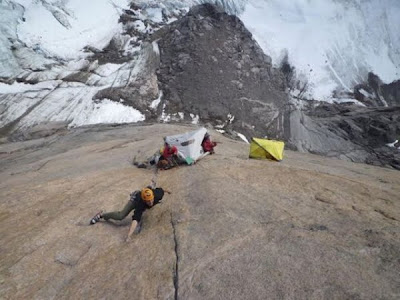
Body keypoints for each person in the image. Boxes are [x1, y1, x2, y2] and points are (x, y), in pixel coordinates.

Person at [90, 186, 170, 241]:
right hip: (135, 200)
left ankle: (147, 188)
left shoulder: (157, 195)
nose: (150, 202)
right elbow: (135, 219)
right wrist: (129, 235)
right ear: (144, 200)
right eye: (148, 201)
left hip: (145, 193)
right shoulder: (140, 204)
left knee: (149, 204)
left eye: (151, 200)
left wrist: (168, 191)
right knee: (120, 216)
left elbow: (161, 190)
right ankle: (101, 215)